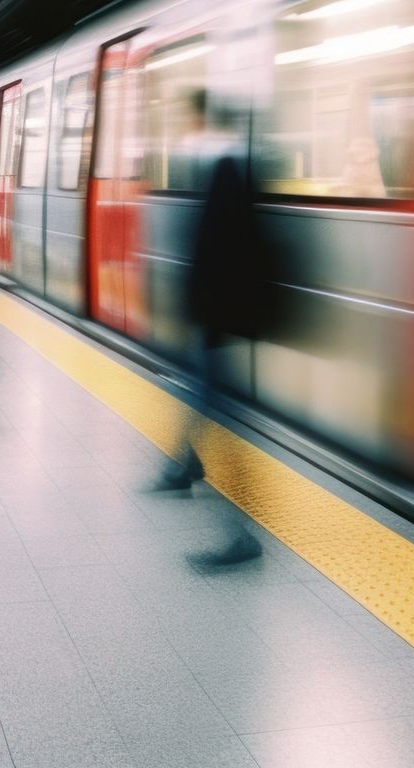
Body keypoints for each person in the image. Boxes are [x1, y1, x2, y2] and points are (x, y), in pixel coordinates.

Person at [152, 90, 267, 567]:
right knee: (201, 399)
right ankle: (186, 463)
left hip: (219, 318)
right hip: (219, 316)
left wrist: (197, 309)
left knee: (217, 413)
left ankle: (242, 536)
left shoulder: (222, 171)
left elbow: (218, 256)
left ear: (200, 119)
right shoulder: (232, 168)